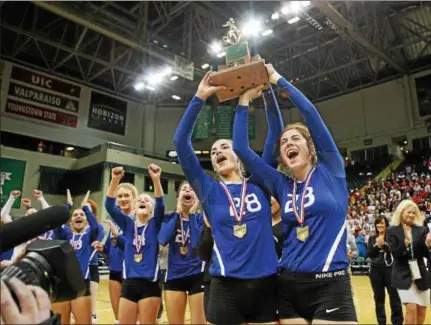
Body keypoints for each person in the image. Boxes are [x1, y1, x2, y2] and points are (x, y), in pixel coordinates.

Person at [232, 64, 357, 324]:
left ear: (310, 147)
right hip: (288, 286)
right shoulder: (281, 184)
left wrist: (275, 80)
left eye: (295, 139)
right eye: (284, 142)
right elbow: (241, 149)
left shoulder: (331, 170)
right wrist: (245, 100)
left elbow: (311, 115)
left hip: (330, 284)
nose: (288, 143)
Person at [173, 72, 283, 324]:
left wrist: (267, 92)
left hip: (265, 284)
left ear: (239, 155)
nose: (217, 151)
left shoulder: (259, 182)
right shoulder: (209, 191)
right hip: (225, 288)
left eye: (224, 147)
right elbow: (180, 142)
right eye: (213, 151)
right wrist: (199, 97)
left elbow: (275, 133)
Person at [105, 164, 165, 325]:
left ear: (151, 209)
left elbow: (161, 204)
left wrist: (155, 179)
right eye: (140, 199)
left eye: (147, 200)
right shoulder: (127, 225)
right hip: (129, 284)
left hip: (150, 286)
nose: (143, 200)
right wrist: (115, 180)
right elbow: (109, 205)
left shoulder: (154, 224)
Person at [158, 181, 205, 324]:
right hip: (174, 276)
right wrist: (177, 212)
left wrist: (191, 214)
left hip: (198, 275)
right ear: (179, 196)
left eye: (192, 189)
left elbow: (197, 243)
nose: (188, 191)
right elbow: (162, 239)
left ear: (196, 197)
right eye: (184, 189)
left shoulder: (202, 218)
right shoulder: (169, 217)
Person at [52, 191, 100, 325]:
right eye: (75, 215)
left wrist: (85, 207)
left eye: (82, 215)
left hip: (81, 285)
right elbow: (56, 224)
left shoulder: (89, 235)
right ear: (70, 221)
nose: (78, 216)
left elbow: (95, 226)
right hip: (62, 285)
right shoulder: (65, 234)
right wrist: (68, 206)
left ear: (86, 220)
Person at [387, 200, 431, 325]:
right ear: (401, 212)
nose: (411, 215)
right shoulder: (392, 230)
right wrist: (405, 242)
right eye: (408, 212)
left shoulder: (422, 230)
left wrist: (427, 244)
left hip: (420, 275)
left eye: (413, 212)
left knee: (421, 310)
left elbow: (424, 254)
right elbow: (396, 254)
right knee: (411, 307)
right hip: (402, 275)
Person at [367, 215, 403, 325]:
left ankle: (397, 322)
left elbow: (395, 252)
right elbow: (370, 254)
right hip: (376, 271)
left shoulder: (392, 237)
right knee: (379, 299)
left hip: (390, 270)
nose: (380, 225)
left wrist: (384, 245)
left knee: (395, 298)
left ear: (386, 224)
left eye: (382, 223)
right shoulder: (372, 238)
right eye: (378, 223)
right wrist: (378, 246)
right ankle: (381, 322)